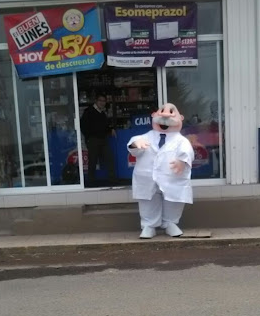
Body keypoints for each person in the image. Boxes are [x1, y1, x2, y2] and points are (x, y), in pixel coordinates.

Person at [127, 103, 194, 239]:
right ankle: (148, 225)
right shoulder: (146, 137)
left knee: (173, 201)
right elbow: (134, 144)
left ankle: (170, 223)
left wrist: (182, 162)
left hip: (172, 178)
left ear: (181, 118)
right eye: (162, 112)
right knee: (148, 201)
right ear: (153, 116)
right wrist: (135, 144)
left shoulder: (181, 140)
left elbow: (187, 151)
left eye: (171, 113)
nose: (165, 119)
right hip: (147, 177)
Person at [80, 92, 116, 186]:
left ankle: (112, 180)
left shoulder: (103, 113)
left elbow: (106, 125)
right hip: (93, 140)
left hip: (103, 140)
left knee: (109, 158)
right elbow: (83, 126)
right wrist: (88, 138)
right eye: (100, 100)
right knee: (92, 160)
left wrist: (111, 129)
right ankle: (91, 181)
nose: (102, 103)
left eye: (104, 101)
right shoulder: (88, 111)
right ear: (96, 101)